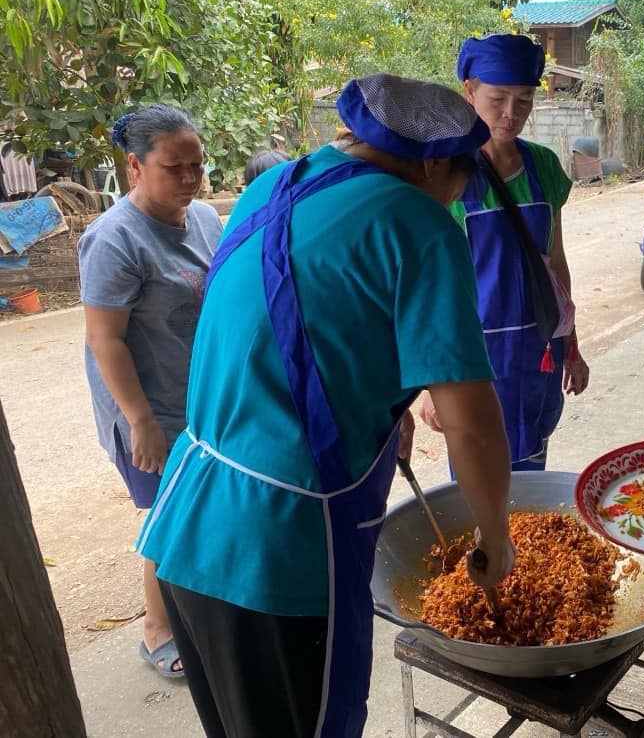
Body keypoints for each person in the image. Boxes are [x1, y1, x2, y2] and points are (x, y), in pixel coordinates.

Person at [135, 73, 516, 737]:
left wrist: (384, 409)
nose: (457, 205)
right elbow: (473, 427)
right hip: (280, 554)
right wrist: (495, 537)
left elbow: (301, 323)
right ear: (433, 165)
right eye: (462, 188)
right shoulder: (419, 224)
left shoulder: (272, 186)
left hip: (186, 529)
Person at [78, 105, 223, 678]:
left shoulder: (205, 218)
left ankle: (201, 609)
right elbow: (105, 339)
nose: (190, 178)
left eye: (197, 165)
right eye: (174, 167)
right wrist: (140, 421)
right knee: (172, 518)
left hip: (202, 398)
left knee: (206, 507)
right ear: (135, 167)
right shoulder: (114, 240)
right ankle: (157, 630)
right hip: (149, 408)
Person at [419, 33, 589, 471]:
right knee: (475, 478)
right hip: (474, 358)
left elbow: (555, 262)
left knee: (531, 470)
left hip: (538, 351)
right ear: (469, 92)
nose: (511, 113)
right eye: (497, 99)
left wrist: (571, 342)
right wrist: (436, 382)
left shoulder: (544, 167)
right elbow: (431, 287)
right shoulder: (444, 173)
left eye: (524, 100)